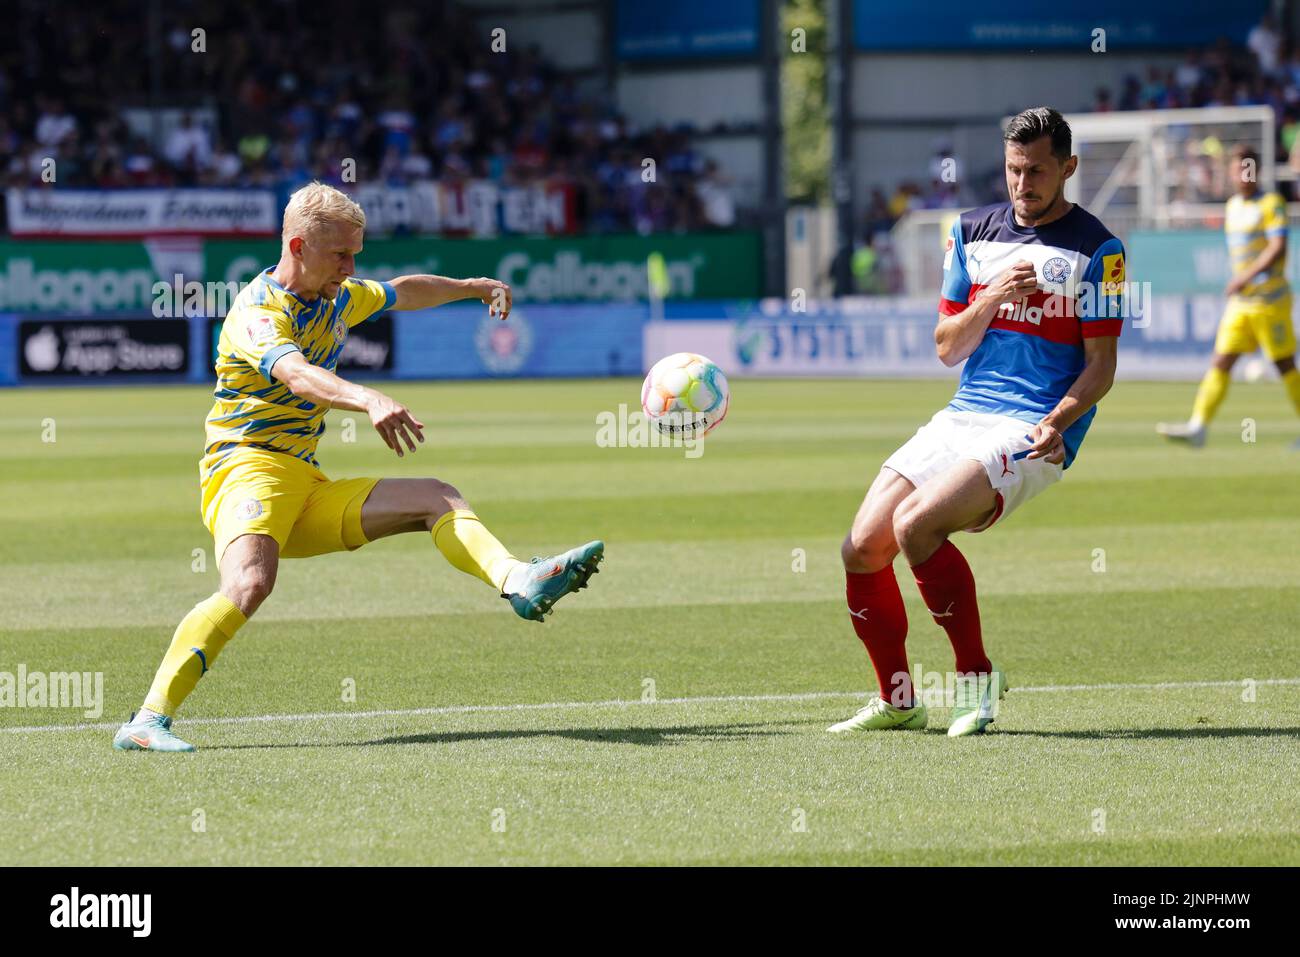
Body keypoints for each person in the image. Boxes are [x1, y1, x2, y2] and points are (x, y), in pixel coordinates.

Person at [114, 182, 603, 752]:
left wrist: (470, 287)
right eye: (340, 255)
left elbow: (401, 292)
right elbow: (295, 373)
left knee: (436, 496)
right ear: (298, 246)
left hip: (304, 480)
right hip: (246, 469)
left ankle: (518, 580)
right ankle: (147, 722)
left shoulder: (338, 295)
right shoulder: (257, 311)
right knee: (250, 583)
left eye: (355, 254)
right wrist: (368, 398)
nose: (350, 267)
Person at [830, 107, 1124, 737]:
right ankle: (900, 700)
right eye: (1015, 170)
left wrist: (1061, 419)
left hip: (1034, 424)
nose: (1024, 184)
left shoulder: (1101, 250)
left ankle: (976, 676)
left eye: (1038, 171)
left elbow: (1101, 367)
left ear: (1068, 168)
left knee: (916, 527)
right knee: (861, 548)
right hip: (964, 414)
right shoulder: (970, 232)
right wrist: (991, 299)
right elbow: (946, 346)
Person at [1157, 145, 1300, 447]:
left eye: (1247, 167)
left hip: (1270, 302)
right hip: (1241, 304)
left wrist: (1243, 277)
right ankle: (1199, 427)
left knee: (1285, 365)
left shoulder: (1271, 204)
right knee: (1221, 361)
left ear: (1257, 171)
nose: (1242, 174)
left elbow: (1278, 249)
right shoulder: (1233, 205)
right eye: (1237, 168)